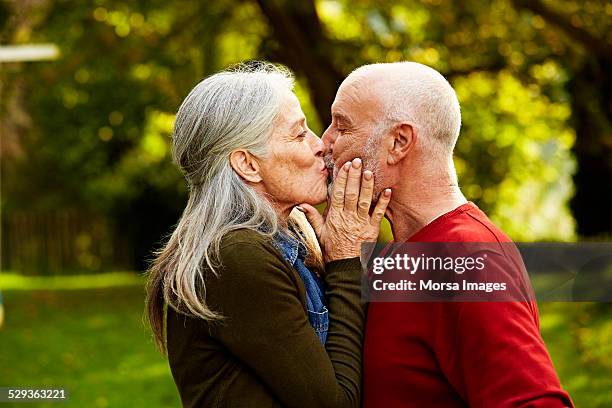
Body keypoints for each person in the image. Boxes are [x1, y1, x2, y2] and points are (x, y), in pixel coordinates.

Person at [314, 61, 574, 407]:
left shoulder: (469, 258)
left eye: (342, 127)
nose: (324, 142)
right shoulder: (395, 252)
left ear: (399, 142)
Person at [145, 62, 391, 408]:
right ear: (247, 164)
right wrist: (346, 258)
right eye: (299, 133)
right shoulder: (235, 257)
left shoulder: (290, 238)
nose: (320, 145)